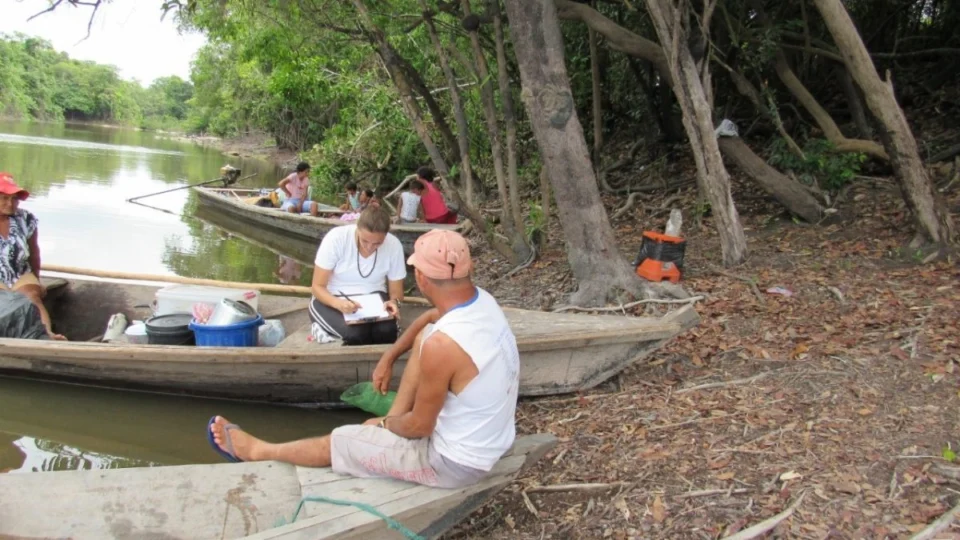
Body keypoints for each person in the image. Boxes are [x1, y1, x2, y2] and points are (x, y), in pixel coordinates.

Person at [208, 229, 520, 490]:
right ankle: (383, 431)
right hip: (492, 440)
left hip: (454, 464)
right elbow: (429, 317)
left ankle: (259, 450)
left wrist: (384, 422)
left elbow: (420, 426)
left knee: (343, 438)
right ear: (467, 270)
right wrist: (391, 353)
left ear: (421, 278)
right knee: (425, 337)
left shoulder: (445, 345)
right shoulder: (481, 301)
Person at [308, 206, 405, 345]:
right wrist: (339, 304)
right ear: (357, 228)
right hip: (333, 296)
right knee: (356, 334)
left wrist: (394, 302)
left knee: (387, 332)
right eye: (365, 241)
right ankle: (321, 327)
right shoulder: (336, 238)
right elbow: (317, 287)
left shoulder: (393, 244)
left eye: (377, 243)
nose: (370, 247)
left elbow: (397, 292)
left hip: (374, 297)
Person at [0, 173, 65, 340]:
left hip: (19, 272)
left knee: (32, 297)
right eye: (4, 198)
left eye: (14, 199)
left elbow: (34, 252)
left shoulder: (26, 218)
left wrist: (36, 279)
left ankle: (46, 335)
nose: (10, 203)